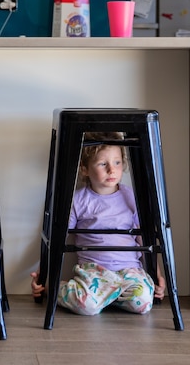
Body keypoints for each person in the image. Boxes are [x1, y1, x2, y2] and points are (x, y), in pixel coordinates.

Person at [30, 133, 165, 315]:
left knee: (143, 301)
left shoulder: (132, 197)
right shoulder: (78, 200)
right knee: (87, 306)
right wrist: (42, 275)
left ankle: (108, 296)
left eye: (117, 162)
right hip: (94, 271)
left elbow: (144, 239)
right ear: (85, 169)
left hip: (129, 269)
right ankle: (58, 290)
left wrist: (157, 275)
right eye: (103, 164)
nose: (112, 170)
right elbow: (58, 238)